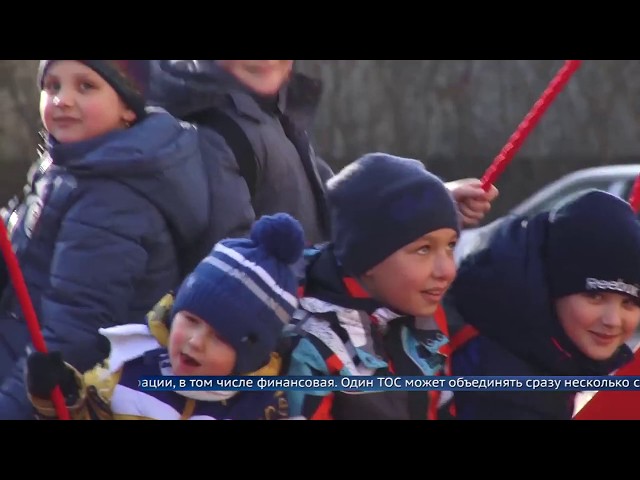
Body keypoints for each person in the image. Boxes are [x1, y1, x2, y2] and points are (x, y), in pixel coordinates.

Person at [0, 60, 209, 419]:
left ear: (128, 107)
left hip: (50, 391)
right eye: (52, 86)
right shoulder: (68, 165)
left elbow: (72, 339)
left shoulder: (115, 200)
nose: (62, 100)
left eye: (86, 87)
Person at [149, 60, 498, 266]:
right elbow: (231, 272)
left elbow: (333, 207)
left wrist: (429, 206)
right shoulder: (210, 131)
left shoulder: (269, 112)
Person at [25, 213, 305, 420]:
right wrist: (60, 397)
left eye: (220, 337)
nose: (195, 342)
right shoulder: (130, 371)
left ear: (249, 356)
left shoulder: (260, 407)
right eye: (191, 320)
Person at [284, 152, 460, 420]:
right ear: (367, 257)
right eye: (424, 249)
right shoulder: (312, 345)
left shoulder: (425, 313)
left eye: (450, 246)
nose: (446, 270)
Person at [446, 189, 640, 420]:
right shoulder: (511, 389)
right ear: (552, 287)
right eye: (595, 297)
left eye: (629, 302)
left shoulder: (545, 352)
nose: (613, 320)